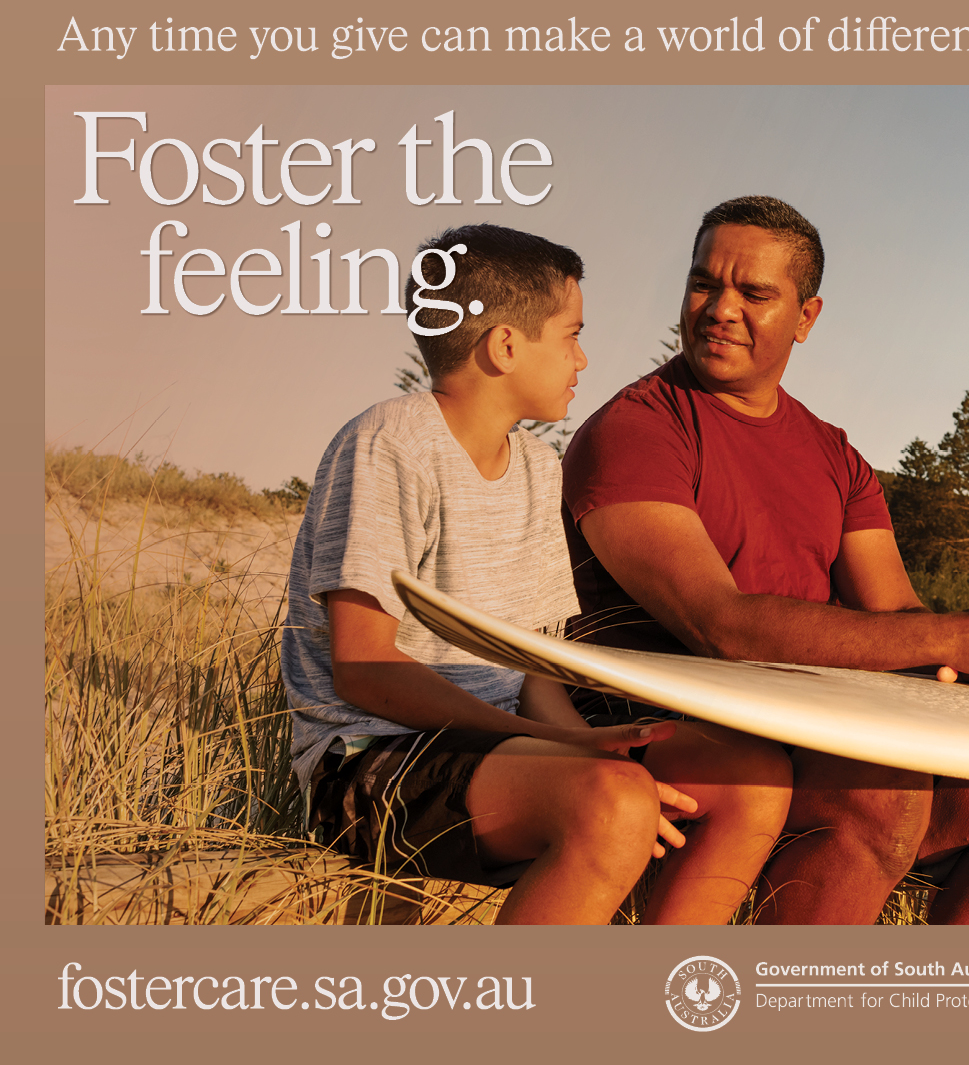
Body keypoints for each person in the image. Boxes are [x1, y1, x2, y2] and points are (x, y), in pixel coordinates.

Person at [281, 223, 792, 925]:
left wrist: (569, 737)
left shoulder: (535, 466)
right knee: (616, 803)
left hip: (503, 749)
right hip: (373, 762)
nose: (583, 358)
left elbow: (534, 670)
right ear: (506, 346)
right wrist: (552, 744)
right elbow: (365, 668)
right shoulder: (390, 442)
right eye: (572, 334)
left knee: (751, 778)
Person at [561, 196, 969, 924]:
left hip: (816, 721)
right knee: (878, 790)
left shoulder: (834, 454)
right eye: (703, 284)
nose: (720, 308)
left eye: (753, 293)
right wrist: (955, 635)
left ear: (806, 318)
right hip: (674, 730)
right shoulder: (637, 430)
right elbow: (721, 626)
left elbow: (898, 616)